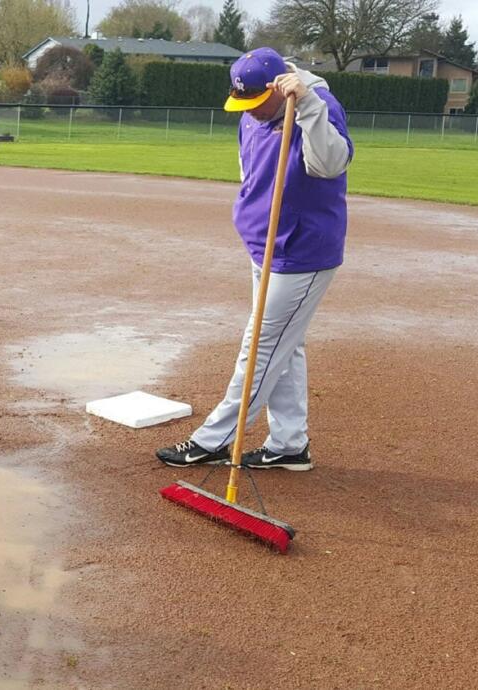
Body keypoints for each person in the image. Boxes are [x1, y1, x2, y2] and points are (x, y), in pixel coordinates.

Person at [155, 47, 353, 472]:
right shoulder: (252, 113)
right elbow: (251, 172)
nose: (250, 112)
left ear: (278, 88)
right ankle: (289, 444)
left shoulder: (317, 107)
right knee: (286, 346)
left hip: (301, 251)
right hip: (263, 244)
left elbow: (331, 164)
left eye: (256, 102)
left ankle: (215, 440)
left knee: (260, 347)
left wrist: (310, 107)